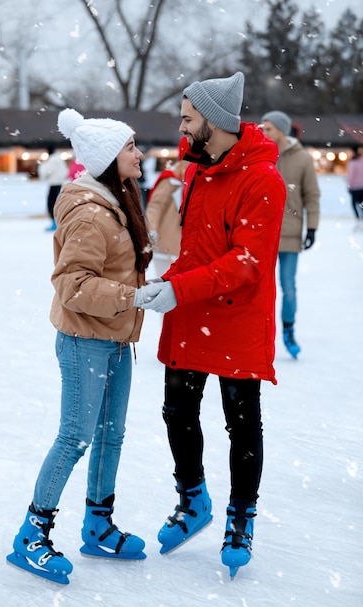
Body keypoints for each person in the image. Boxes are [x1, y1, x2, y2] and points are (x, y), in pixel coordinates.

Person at [134, 72, 286, 578]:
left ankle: (240, 516)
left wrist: (181, 288)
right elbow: (198, 249)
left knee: (241, 421)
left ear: (214, 123)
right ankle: (193, 497)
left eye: (187, 118)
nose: (181, 127)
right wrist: (168, 281)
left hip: (238, 319)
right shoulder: (198, 168)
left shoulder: (262, 179)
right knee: (176, 409)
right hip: (191, 311)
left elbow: (247, 263)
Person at [7, 109, 163, 585]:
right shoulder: (91, 213)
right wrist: (133, 297)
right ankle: (32, 535)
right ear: (109, 158)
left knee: (112, 435)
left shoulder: (121, 199)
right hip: (84, 340)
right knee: (76, 436)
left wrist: (145, 285)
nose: (139, 155)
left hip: (116, 337)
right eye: (131, 148)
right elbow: (72, 285)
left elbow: (119, 266)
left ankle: (98, 523)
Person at [261, 111, 320, 359]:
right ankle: (262, 335)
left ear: (282, 131)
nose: (264, 133)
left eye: (269, 129)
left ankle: (288, 330)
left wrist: (312, 228)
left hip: (290, 234)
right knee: (260, 289)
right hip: (262, 234)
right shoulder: (261, 155)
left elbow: (312, 195)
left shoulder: (303, 159)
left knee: (288, 286)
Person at [145, 138, 189, 276]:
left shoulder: (196, 182)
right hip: (166, 247)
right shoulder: (170, 181)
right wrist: (152, 231)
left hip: (184, 248)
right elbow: (154, 208)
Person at [38, 146, 69, 231]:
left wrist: (42, 172)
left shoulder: (53, 160)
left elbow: (46, 171)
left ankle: (54, 223)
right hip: (58, 183)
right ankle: (55, 222)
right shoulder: (59, 160)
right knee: (55, 203)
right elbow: (65, 171)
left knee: (51, 204)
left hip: (54, 183)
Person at [346, 145, 363, 219]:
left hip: (355, 187)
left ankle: (358, 218)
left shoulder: (352, 162)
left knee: (354, 204)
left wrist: (349, 185)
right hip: (362, 186)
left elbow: (351, 176)